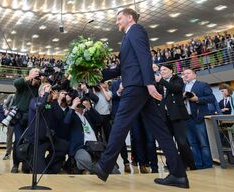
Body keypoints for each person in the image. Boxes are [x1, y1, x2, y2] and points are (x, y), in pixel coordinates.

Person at [87, 8, 189, 188]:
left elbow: (144, 56)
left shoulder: (136, 30)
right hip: (140, 86)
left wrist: (150, 83)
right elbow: (120, 69)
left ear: (129, 17)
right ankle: (179, 175)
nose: (116, 22)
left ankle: (104, 166)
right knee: (161, 131)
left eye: (119, 18)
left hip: (137, 86)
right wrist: (95, 75)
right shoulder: (127, 37)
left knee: (119, 124)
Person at [155, 64, 196, 170]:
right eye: (161, 70)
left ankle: (190, 164)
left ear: (171, 71)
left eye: (164, 69)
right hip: (165, 116)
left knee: (182, 142)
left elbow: (176, 89)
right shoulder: (159, 82)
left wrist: (162, 81)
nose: (162, 71)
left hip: (177, 115)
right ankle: (172, 165)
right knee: (169, 143)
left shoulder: (177, 79)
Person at [182, 69, 214, 169]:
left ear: (194, 75)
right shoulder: (182, 87)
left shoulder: (202, 85)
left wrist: (197, 99)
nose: (185, 75)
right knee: (192, 143)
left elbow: (211, 98)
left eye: (188, 73)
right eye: (184, 73)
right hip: (186, 118)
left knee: (203, 143)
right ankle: (198, 165)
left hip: (198, 117)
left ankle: (207, 165)